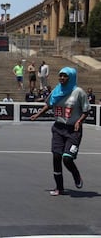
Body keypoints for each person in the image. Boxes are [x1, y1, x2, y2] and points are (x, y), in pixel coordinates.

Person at [31, 67, 90, 196]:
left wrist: (79, 121)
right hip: (58, 128)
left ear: (71, 77)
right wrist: (37, 115)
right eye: (60, 76)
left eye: (65, 76)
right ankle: (59, 187)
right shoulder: (56, 91)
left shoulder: (79, 92)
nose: (62, 78)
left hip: (73, 130)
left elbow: (86, 111)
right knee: (56, 157)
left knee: (67, 159)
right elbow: (49, 104)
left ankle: (76, 175)